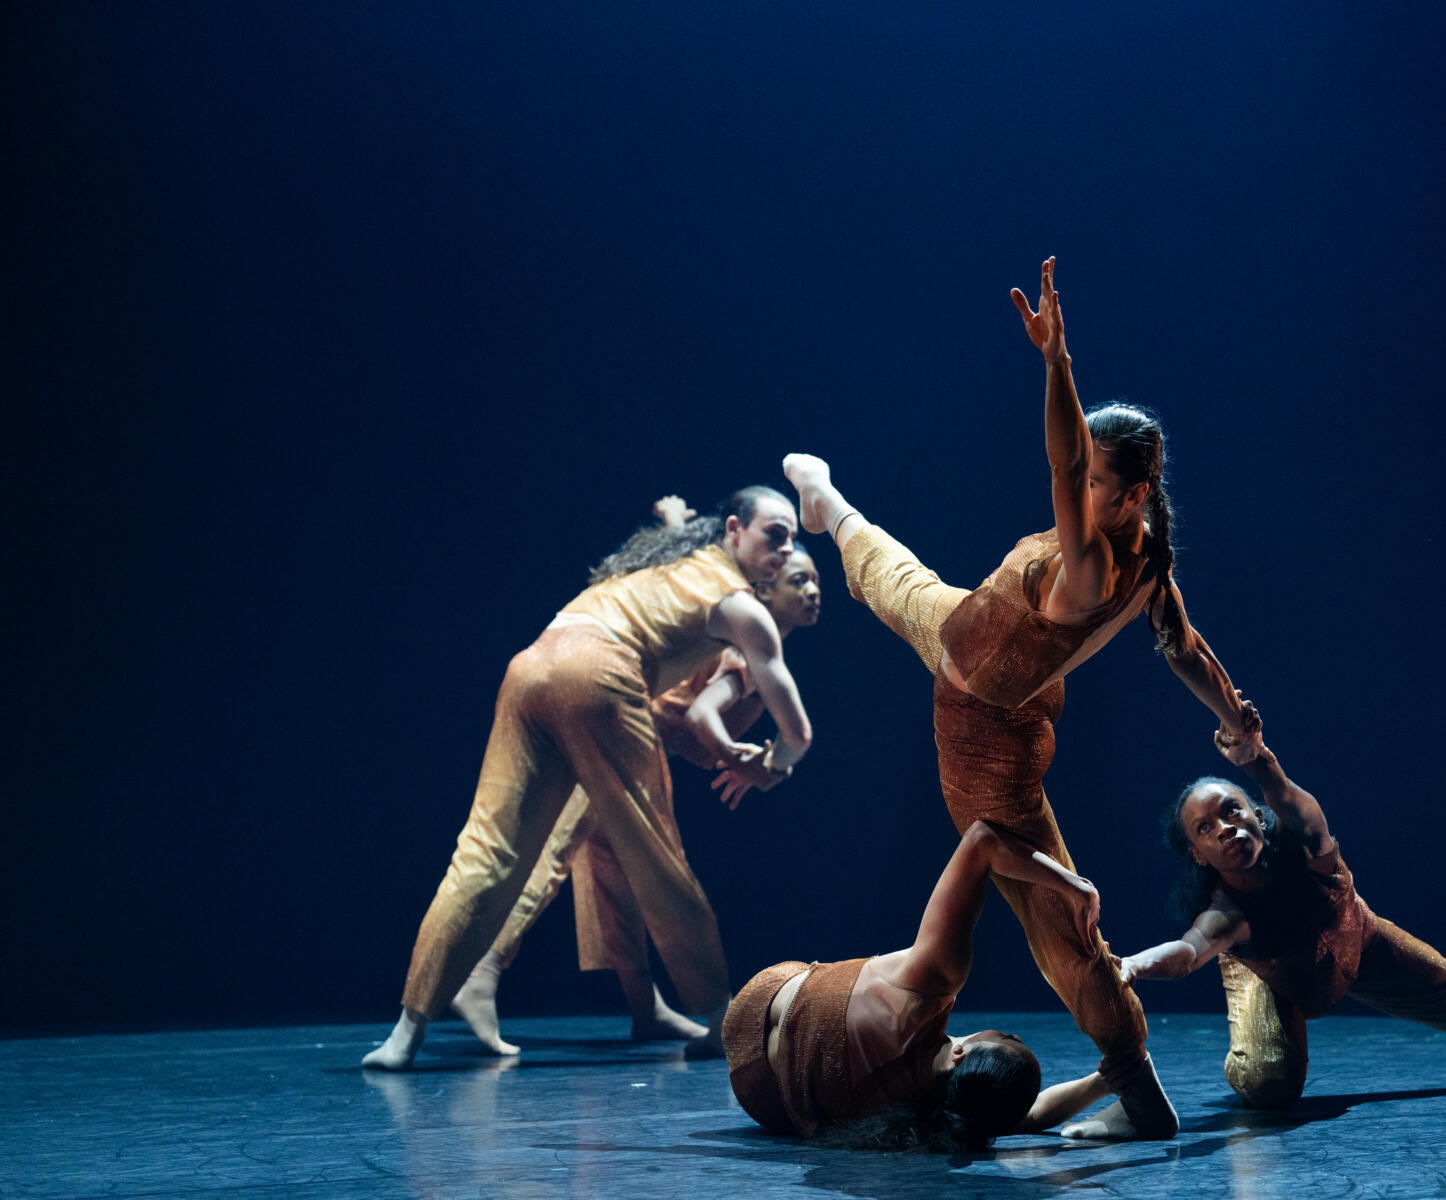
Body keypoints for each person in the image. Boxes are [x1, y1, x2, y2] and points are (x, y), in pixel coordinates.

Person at [779, 257, 1261, 1139]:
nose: (1081, 491)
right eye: (1084, 484)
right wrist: (1231, 717)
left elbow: (1177, 637)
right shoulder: (1143, 553)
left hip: (985, 728)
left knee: (1064, 931)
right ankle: (826, 500)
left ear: (1135, 492)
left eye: (1098, 484)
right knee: (889, 576)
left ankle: (1137, 1093)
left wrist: (1057, 364)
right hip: (975, 643)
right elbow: (1181, 645)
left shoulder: (1103, 564)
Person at [363, 486, 813, 1069]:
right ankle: (720, 1014)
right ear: (734, 532)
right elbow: (797, 731)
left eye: (793, 539)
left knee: (484, 853)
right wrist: (773, 766)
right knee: (656, 857)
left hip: (532, 664)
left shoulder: (664, 560)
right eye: (775, 534)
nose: (786, 550)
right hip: (600, 680)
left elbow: (682, 528)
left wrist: (675, 515)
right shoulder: (745, 610)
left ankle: (405, 1034)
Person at [1103, 739, 1446, 1128]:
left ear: (1254, 813)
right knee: (1268, 1091)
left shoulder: (1301, 840)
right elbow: (1186, 952)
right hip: (1280, 975)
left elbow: (1287, 795)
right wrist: (1131, 964)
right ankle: (1240, 1047)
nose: (1225, 829)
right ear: (1199, 856)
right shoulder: (1227, 911)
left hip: (1357, 941)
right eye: (1206, 829)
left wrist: (1256, 758)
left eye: (1231, 812)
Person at [723, 819, 1120, 1148]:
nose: (1009, 1033)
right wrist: (1102, 1082)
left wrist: (1074, 886)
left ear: (962, 1055)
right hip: (759, 1101)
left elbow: (983, 840)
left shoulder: (933, 980)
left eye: (1006, 1036)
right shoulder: (936, 1117)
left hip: (756, 1006)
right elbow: (1028, 1117)